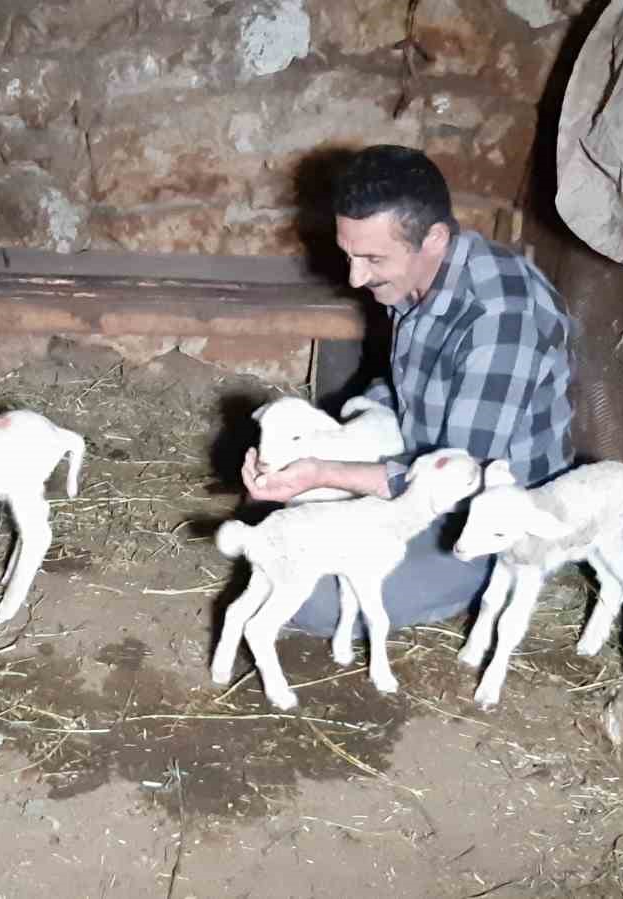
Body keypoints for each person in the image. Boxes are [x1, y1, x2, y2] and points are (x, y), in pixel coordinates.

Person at [240, 144, 575, 636]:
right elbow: (404, 389)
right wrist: (325, 448)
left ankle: (468, 587)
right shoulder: (414, 280)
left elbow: (461, 479)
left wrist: (326, 472)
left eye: (373, 258)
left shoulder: (501, 317)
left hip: (483, 515)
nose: (355, 277)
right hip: (418, 465)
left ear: (434, 238)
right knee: (277, 527)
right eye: (348, 254)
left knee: (312, 600)